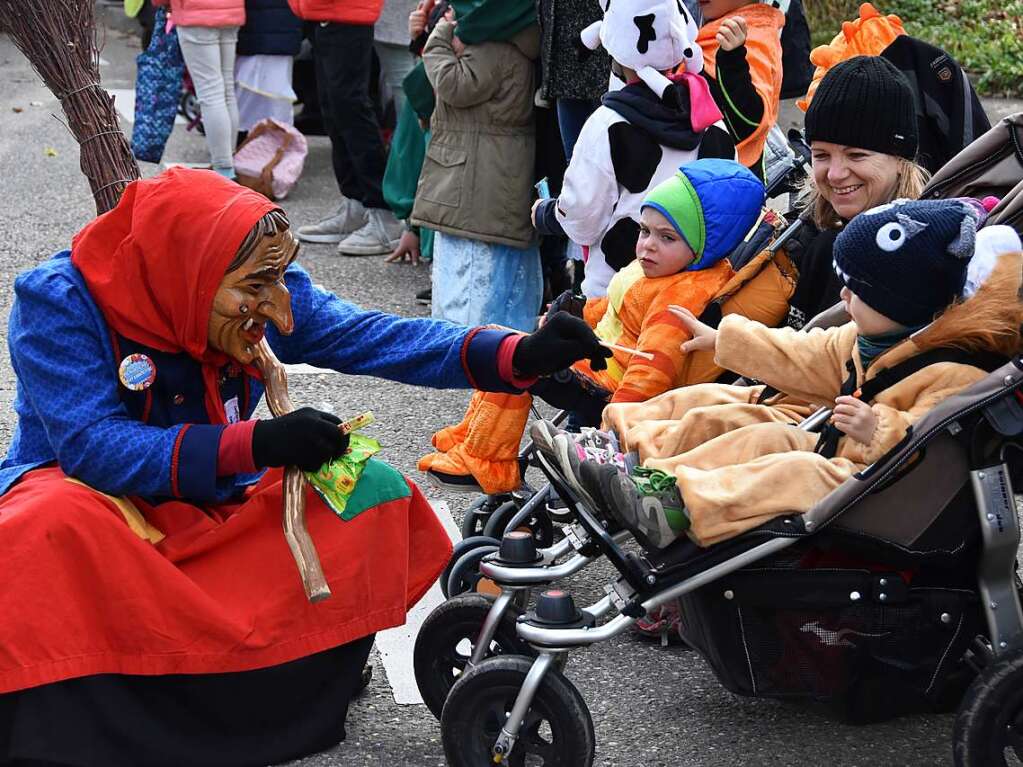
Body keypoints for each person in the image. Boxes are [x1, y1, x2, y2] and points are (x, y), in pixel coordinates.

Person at [0, 169, 610, 766]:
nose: (283, 316)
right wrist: (256, 444)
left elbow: (365, 335)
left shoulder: (245, 273)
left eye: (278, 284)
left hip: (213, 505)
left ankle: (290, 686)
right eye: (257, 290)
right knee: (41, 524)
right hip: (106, 516)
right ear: (188, 274)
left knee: (368, 490)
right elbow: (92, 448)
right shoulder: (58, 300)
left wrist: (514, 353)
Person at [556, 198, 1022, 549]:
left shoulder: (950, 371)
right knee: (753, 433)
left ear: (901, 302)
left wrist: (877, 426)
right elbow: (802, 354)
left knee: (789, 468)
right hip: (841, 458)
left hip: (875, 490)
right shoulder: (869, 338)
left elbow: (932, 443)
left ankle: (678, 503)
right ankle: (632, 457)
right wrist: (726, 341)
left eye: (857, 291)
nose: (843, 297)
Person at [419, 159, 765, 494]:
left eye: (667, 237)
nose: (648, 245)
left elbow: (653, 365)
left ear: (704, 248)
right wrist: (574, 316)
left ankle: (486, 461)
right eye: (644, 231)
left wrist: (616, 422)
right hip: (599, 358)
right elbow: (618, 305)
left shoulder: (681, 296)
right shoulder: (660, 268)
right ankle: (472, 437)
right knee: (503, 342)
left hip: (610, 387)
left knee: (516, 359)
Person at [532, 0, 737, 299]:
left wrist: (547, 214)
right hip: (691, 293)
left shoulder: (606, 125)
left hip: (617, 296)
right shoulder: (711, 123)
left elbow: (582, 220)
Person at [409, 1, 543, 331]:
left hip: (473, 182)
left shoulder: (492, 44)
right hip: (498, 176)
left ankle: (469, 358)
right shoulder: (520, 39)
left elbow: (455, 86)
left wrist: (439, 37)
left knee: (468, 285)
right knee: (504, 285)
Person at [787, 55, 930, 329]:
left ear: (901, 160)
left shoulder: (919, 257)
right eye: (821, 155)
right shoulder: (819, 244)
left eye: (856, 155)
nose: (835, 174)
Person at [289, 0, 405, 256]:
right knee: (334, 109)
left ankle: (383, 212)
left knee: (351, 108)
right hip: (324, 11)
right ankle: (357, 202)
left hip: (345, 10)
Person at [693, 0, 785, 180]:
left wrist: (733, 61)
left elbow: (750, 123)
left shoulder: (756, 34)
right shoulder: (705, 31)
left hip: (728, 184)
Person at [170, 0, 245, 178]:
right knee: (226, 90)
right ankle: (228, 160)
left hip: (194, 13)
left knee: (210, 94)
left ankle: (223, 168)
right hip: (230, 11)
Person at [234, 0, 303, 133]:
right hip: (281, 31)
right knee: (275, 99)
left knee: (249, 95)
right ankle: (275, 141)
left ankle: (250, 141)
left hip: (256, 32)